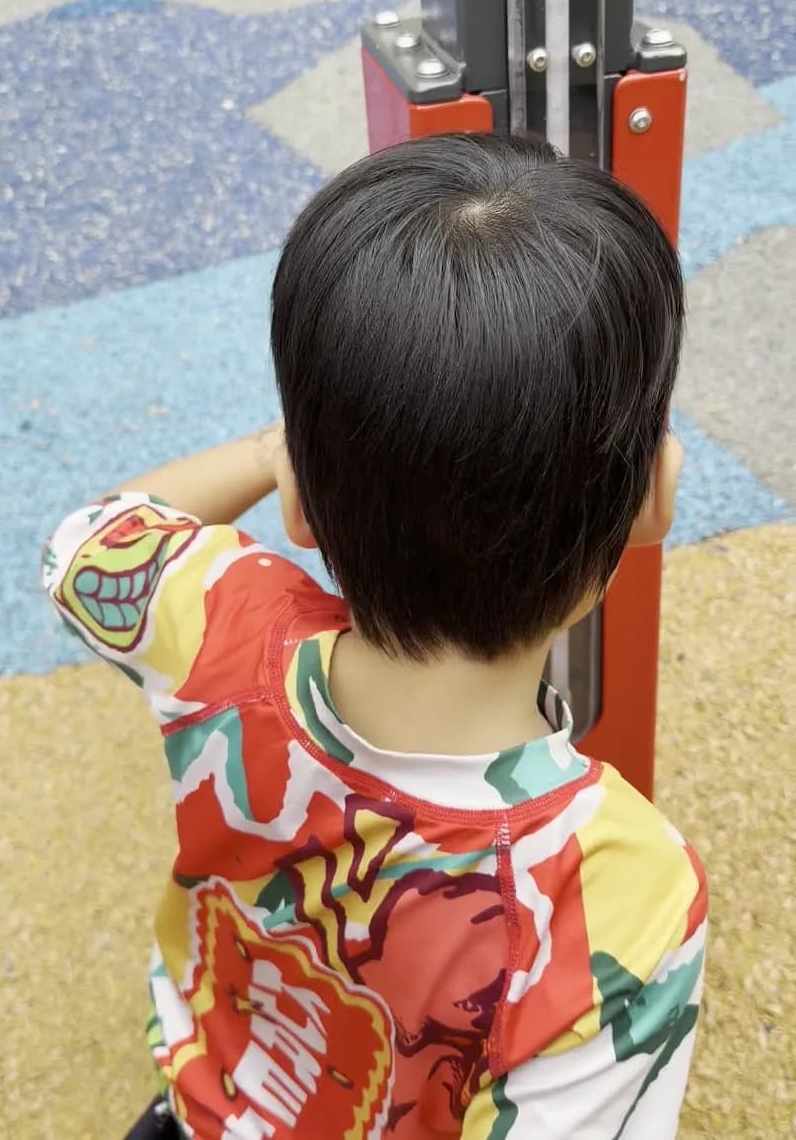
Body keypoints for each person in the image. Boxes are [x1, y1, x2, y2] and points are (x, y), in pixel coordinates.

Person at [43, 134, 707, 1140]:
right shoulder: (614, 887)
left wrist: (280, 454)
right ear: (650, 501)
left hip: (204, 1108)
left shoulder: (221, 626)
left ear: (300, 507)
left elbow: (91, 539)